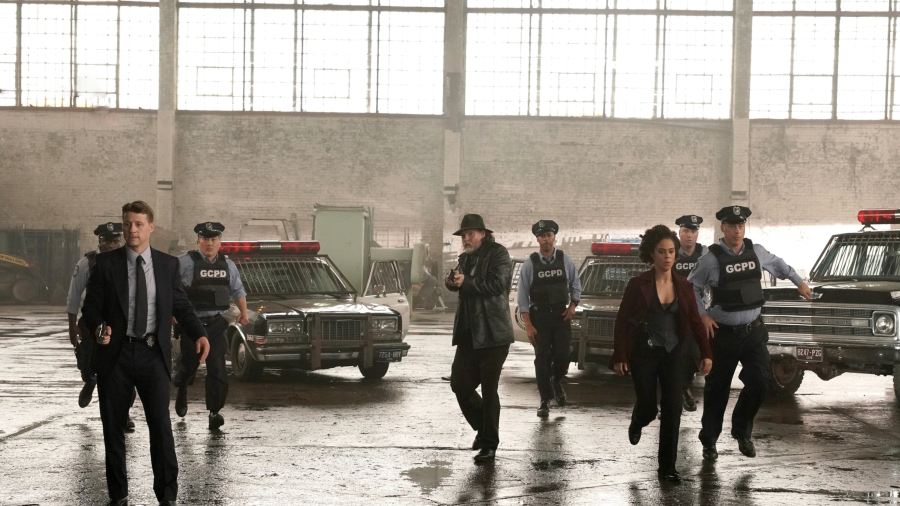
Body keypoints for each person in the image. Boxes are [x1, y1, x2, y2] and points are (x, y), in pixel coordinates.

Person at [81, 201, 210, 505]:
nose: (132, 230)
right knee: (113, 429)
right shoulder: (106, 264)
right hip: (116, 356)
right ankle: (118, 495)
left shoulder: (167, 265)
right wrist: (99, 327)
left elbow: (181, 305)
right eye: (127, 223)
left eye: (139, 224)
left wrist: (199, 333)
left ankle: (167, 496)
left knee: (161, 427)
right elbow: (91, 308)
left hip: (153, 355)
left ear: (151, 227)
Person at [690, 205, 812, 462]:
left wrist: (799, 282)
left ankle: (741, 431)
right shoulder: (710, 259)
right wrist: (703, 315)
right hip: (723, 334)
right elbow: (692, 287)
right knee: (717, 390)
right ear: (723, 228)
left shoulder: (756, 251)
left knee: (760, 382)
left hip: (753, 332)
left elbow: (779, 265)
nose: (737, 231)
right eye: (732, 226)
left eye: (741, 225)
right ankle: (709, 440)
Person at [612, 224, 712, 483]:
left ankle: (667, 468)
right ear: (651, 254)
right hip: (645, 353)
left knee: (673, 408)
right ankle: (639, 419)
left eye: (671, 251)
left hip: (674, 354)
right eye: (661, 251)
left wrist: (706, 353)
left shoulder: (684, 286)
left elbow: (695, 321)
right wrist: (620, 356)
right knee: (648, 406)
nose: (667, 257)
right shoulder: (638, 285)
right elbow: (622, 321)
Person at [445, 213, 515, 464]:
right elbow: (460, 284)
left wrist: (467, 281)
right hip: (468, 335)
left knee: (489, 389)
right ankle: (483, 428)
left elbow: (497, 284)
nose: (466, 238)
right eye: (463, 235)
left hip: (493, 335)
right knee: (459, 384)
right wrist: (452, 282)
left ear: (483, 234)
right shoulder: (465, 258)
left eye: (470, 234)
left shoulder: (498, 254)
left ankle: (489, 445)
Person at [174, 221, 249, 430]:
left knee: (217, 369)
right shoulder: (184, 262)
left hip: (216, 323)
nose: (209, 243)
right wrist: (173, 314)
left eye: (213, 239)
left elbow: (238, 291)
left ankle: (214, 412)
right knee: (189, 365)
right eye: (205, 239)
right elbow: (171, 290)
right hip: (191, 324)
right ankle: (182, 387)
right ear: (198, 240)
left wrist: (243, 313)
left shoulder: (228, 265)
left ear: (220, 241)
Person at [516, 219, 581, 418]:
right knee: (542, 359)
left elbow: (576, 284)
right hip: (540, 317)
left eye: (549, 235)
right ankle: (545, 400)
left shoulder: (564, 260)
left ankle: (556, 379)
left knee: (564, 355)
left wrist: (573, 306)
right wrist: (528, 325)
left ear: (554, 238)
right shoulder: (530, 264)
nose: (546, 239)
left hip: (561, 316)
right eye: (542, 236)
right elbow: (522, 296)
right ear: (537, 239)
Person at [66, 222, 124, 408]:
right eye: (106, 241)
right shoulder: (87, 263)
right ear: (99, 241)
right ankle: (90, 381)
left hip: (119, 321)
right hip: (91, 320)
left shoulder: (129, 261)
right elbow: (74, 295)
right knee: (87, 360)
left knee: (122, 366)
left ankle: (123, 410)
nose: (111, 245)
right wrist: (72, 326)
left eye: (115, 241)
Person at [674, 214, 708, 412]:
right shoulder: (671, 251)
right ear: (679, 232)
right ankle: (676, 397)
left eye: (693, 231)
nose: (689, 235)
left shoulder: (704, 254)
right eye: (685, 231)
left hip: (696, 311)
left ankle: (683, 387)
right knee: (673, 355)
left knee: (695, 353)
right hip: (673, 312)